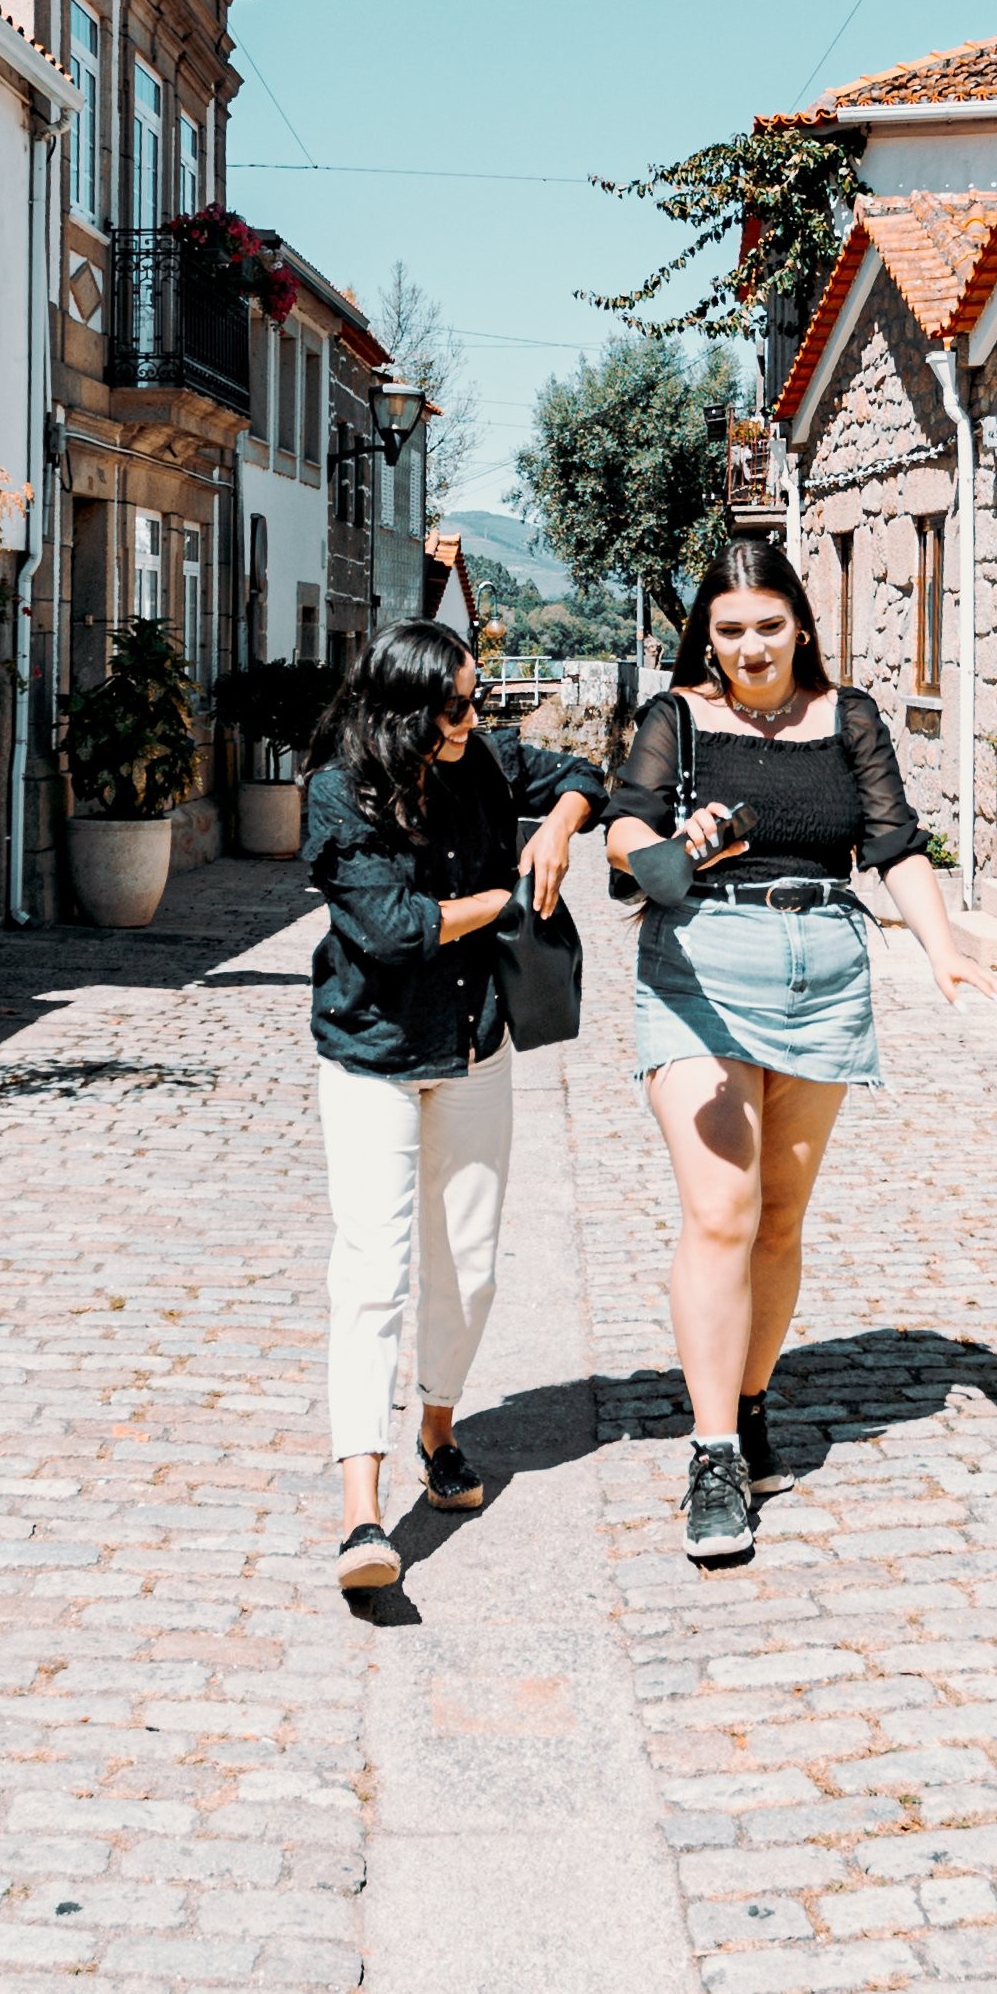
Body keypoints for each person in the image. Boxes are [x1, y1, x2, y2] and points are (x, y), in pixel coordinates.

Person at [603, 537, 997, 1566]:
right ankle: (711, 1455)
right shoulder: (676, 720)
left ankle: (749, 1402)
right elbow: (624, 833)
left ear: (802, 623)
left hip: (823, 966)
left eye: (767, 626)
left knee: (778, 1222)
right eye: (729, 630)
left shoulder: (852, 717)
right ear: (708, 633)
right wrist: (664, 846)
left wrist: (946, 951)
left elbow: (895, 842)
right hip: (701, 963)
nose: (748, 647)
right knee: (720, 1210)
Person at [301, 620, 600, 1596]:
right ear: (404, 712)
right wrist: (505, 897)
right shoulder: (340, 790)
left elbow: (582, 770)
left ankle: (438, 1425)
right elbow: (391, 929)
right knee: (374, 1270)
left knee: (469, 1267)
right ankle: (360, 1513)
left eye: (478, 699)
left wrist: (557, 823)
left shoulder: (482, 757)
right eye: (458, 704)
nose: (478, 718)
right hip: (373, 1052)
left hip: (474, 1044)